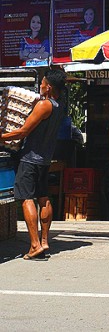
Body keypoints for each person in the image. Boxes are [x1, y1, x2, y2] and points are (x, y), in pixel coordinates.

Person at [0, 68, 67, 260]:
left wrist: (2, 136)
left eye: (43, 83)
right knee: (43, 197)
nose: (41, 86)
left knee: (27, 198)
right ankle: (44, 241)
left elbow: (23, 131)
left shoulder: (44, 105)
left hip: (30, 158)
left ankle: (34, 244)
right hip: (44, 159)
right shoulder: (59, 104)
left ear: (50, 86)